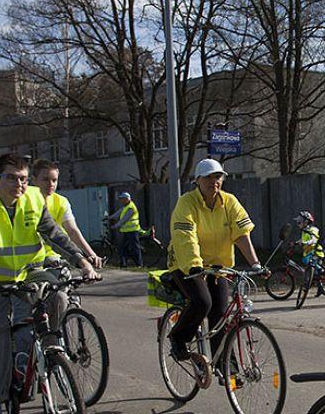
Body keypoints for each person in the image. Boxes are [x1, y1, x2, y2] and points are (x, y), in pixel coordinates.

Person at [0, 153, 98, 414]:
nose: (18, 184)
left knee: (58, 295)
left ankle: (49, 353)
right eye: (11, 177)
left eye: (23, 178)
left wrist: (81, 261)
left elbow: (54, 234)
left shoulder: (35, 199)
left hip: (28, 273)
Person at [166, 158, 263, 383]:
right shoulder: (186, 203)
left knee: (220, 314)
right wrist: (194, 264)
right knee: (202, 302)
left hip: (218, 267)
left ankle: (226, 369)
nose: (214, 181)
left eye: (217, 176)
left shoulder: (229, 202)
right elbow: (185, 236)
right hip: (185, 264)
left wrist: (255, 264)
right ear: (197, 180)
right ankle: (178, 338)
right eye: (208, 177)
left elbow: (241, 235)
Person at [32, 159, 104, 269]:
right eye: (46, 179)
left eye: (54, 180)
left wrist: (91, 255)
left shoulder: (61, 202)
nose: (51, 184)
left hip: (56, 257)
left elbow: (72, 231)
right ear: (34, 180)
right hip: (31, 258)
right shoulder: (25, 200)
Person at [107, 192, 143, 267]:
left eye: (122, 199)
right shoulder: (125, 206)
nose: (121, 201)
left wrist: (115, 226)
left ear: (127, 199)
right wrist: (109, 217)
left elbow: (124, 219)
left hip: (133, 231)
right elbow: (118, 213)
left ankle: (139, 264)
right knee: (122, 248)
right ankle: (123, 264)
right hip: (126, 231)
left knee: (135, 248)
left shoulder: (131, 207)